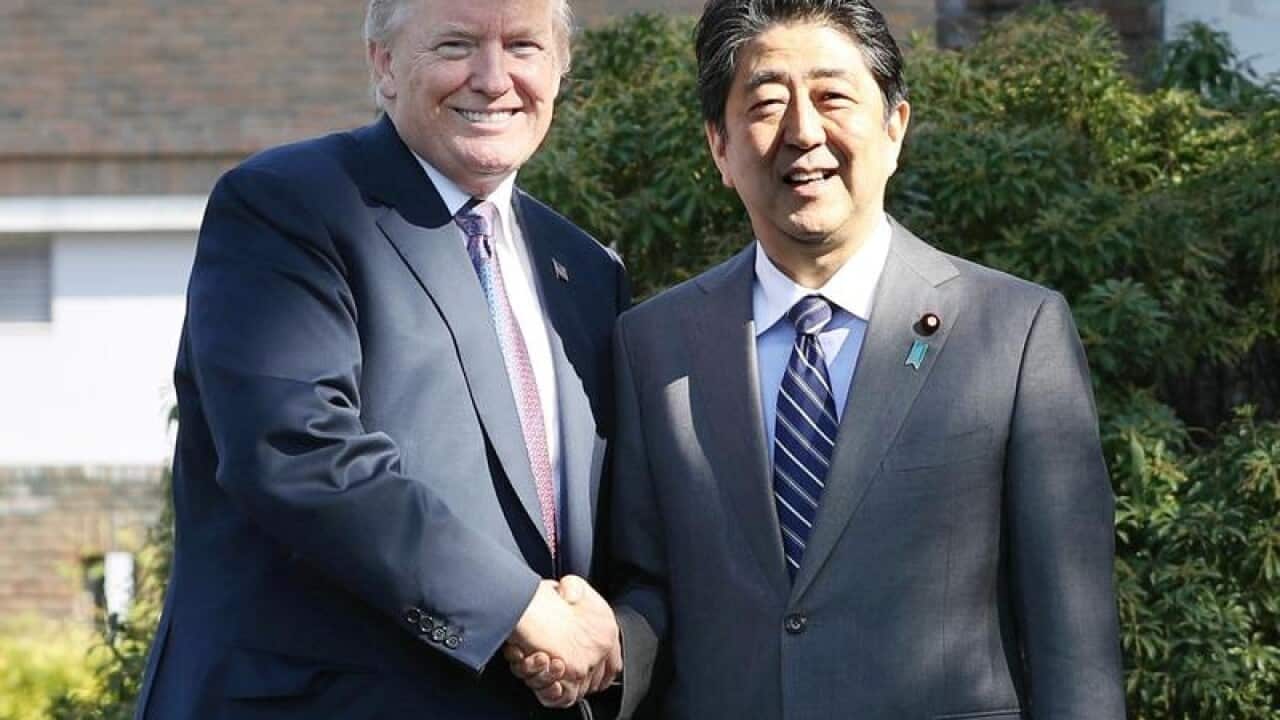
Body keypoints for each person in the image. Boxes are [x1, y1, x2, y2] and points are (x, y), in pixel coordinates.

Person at [588, 0, 1125, 717]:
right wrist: (597, 648)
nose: (803, 132)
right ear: (719, 146)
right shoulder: (653, 346)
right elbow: (649, 584)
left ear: (895, 127)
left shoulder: (1015, 331)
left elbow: (1074, 641)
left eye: (834, 96)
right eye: (767, 103)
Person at [133, 0, 627, 718]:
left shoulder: (585, 271)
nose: (494, 78)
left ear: (560, 68)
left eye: (523, 46)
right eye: (456, 45)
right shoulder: (289, 207)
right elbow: (297, 452)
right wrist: (519, 607)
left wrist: (607, 627)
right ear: (384, 64)